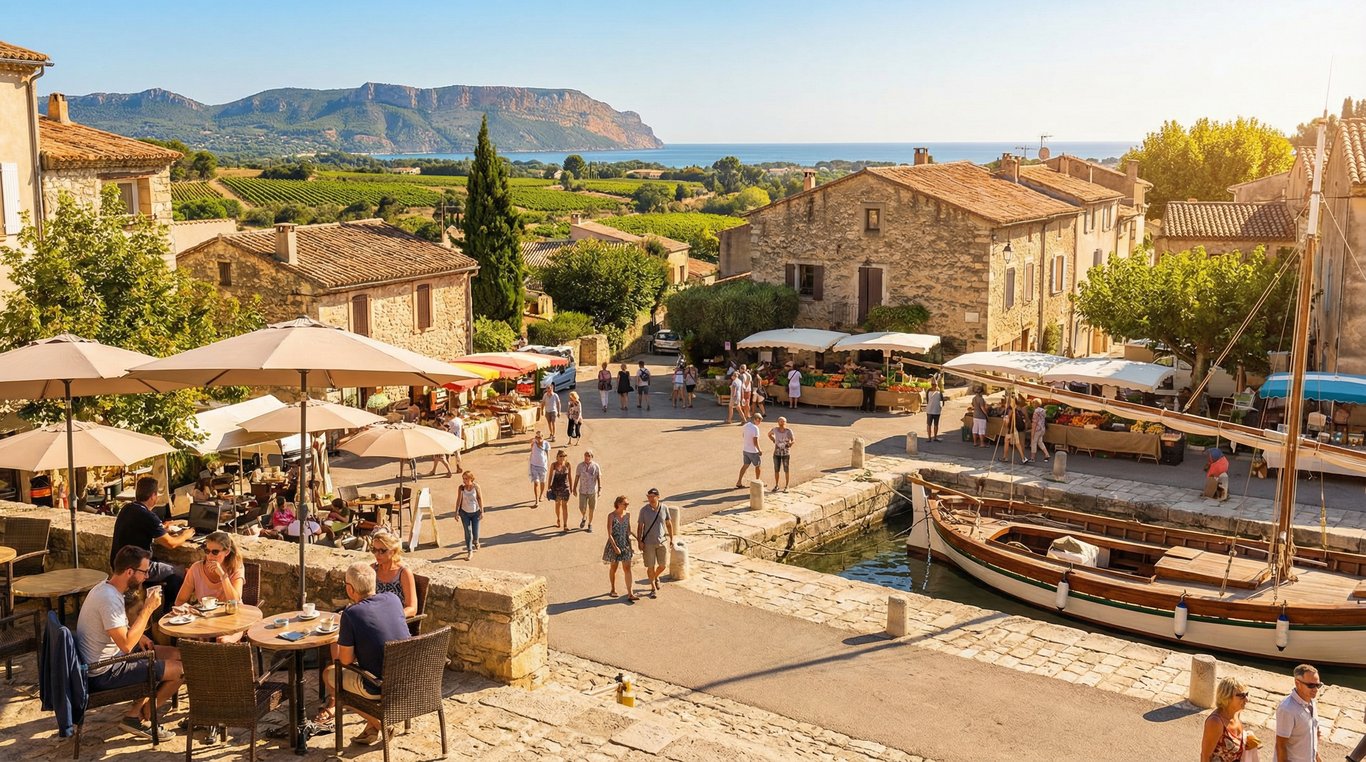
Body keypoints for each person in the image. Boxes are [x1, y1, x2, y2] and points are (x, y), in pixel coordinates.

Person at [76, 545, 183, 740]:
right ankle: (139, 717)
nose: (146, 576)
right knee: (182, 670)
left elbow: (116, 631)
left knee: (176, 655)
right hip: (105, 671)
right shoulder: (109, 599)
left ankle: (140, 711)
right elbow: (125, 645)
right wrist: (148, 609)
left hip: (109, 659)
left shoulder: (105, 588)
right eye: (144, 572)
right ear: (129, 572)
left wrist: (140, 636)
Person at [320, 562, 411, 747]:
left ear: (349, 589)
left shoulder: (351, 614)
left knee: (330, 675)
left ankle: (380, 724)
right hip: (408, 677)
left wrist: (338, 641)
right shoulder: (393, 599)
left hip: (380, 685)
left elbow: (345, 661)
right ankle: (371, 728)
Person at [110, 476, 193, 617]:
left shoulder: (127, 509)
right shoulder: (148, 516)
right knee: (181, 573)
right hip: (137, 568)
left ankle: (163, 611)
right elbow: (170, 544)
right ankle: (169, 613)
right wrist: (186, 535)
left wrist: (162, 528)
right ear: (153, 496)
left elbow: (141, 529)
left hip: (118, 564)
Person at [173, 531, 245, 638]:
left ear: (227, 552)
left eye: (215, 552)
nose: (210, 556)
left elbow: (234, 600)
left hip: (233, 618)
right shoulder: (196, 569)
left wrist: (222, 575)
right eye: (207, 551)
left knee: (223, 640)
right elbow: (179, 601)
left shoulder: (235, 568)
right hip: (206, 621)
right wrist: (190, 611)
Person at [1275, 663, 1322, 762]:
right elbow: (1280, 745)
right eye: (1311, 685)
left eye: (1318, 685)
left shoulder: (1312, 702)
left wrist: (1317, 757)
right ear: (1297, 683)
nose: (1316, 689)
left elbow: (1312, 733)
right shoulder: (1287, 709)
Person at [636, 488, 676, 598]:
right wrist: (639, 541)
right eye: (648, 496)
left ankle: (655, 577)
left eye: (652, 496)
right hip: (648, 543)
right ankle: (653, 588)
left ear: (658, 496)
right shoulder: (643, 510)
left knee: (663, 565)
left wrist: (672, 538)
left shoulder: (664, 508)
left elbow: (668, 524)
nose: (649, 498)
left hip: (662, 541)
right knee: (650, 566)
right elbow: (640, 527)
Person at [369, 531, 418, 619]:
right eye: (374, 550)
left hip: (396, 621)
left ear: (393, 551)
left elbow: (412, 608)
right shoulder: (372, 569)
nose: (377, 554)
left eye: (382, 551)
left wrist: (391, 617)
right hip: (375, 618)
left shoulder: (404, 573)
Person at [1201, 676, 1250, 762]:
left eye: (1246, 694)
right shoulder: (1215, 722)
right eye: (1241, 695)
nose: (1247, 699)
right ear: (1227, 697)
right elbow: (1205, 756)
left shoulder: (1236, 714)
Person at [602, 496, 638, 601]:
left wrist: (637, 540)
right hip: (614, 545)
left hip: (625, 544)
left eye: (627, 504)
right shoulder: (611, 516)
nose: (627, 506)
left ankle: (630, 593)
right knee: (614, 568)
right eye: (625, 504)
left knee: (627, 568)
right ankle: (613, 588)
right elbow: (609, 534)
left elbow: (628, 531)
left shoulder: (628, 515)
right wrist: (615, 547)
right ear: (618, 504)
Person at [573, 450, 602, 532]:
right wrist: (574, 488)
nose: (587, 457)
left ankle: (590, 523)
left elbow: (598, 477)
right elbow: (577, 477)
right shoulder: (580, 466)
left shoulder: (596, 466)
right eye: (585, 455)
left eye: (588, 456)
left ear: (591, 457)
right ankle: (584, 516)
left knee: (592, 508)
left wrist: (600, 488)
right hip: (583, 490)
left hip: (592, 490)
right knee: (581, 507)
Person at [457, 470, 484, 559]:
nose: (464, 481)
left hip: (475, 512)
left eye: (466, 479)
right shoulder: (461, 488)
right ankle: (470, 551)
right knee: (468, 532)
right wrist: (456, 512)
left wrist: (482, 511)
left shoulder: (476, 487)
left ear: (471, 479)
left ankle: (476, 541)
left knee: (475, 532)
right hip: (464, 513)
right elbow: (459, 500)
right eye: (463, 479)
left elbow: (480, 498)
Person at [736, 412, 763, 489]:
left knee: (745, 465)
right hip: (753, 451)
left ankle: (739, 481)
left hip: (746, 450)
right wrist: (759, 450)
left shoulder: (746, 425)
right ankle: (758, 482)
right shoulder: (755, 428)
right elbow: (755, 441)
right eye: (759, 420)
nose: (760, 422)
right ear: (755, 419)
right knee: (758, 466)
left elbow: (743, 435)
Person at [768, 417, 795, 492]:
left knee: (786, 469)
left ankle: (787, 486)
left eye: (783, 422)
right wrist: (773, 440)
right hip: (777, 452)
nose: (782, 423)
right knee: (776, 470)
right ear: (778, 422)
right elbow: (769, 434)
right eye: (780, 422)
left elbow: (793, 440)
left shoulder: (788, 431)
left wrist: (790, 444)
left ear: (785, 423)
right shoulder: (775, 430)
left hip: (786, 453)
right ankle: (776, 485)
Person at [549, 449, 573, 531]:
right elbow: (550, 476)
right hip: (556, 488)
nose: (562, 457)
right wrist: (549, 487)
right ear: (557, 457)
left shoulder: (568, 464)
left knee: (565, 506)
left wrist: (571, 487)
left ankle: (565, 525)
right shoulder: (554, 465)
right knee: (557, 504)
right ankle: (558, 518)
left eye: (564, 456)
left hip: (565, 488)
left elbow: (570, 476)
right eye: (561, 456)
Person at [528, 431, 550, 504]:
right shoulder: (534, 443)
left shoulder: (546, 443)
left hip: (543, 466)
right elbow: (529, 442)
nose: (539, 438)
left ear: (543, 437)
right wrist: (534, 439)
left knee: (542, 482)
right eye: (537, 436)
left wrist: (547, 464)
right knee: (536, 483)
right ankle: (536, 499)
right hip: (534, 465)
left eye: (540, 436)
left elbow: (547, 454)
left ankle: (541, 494)